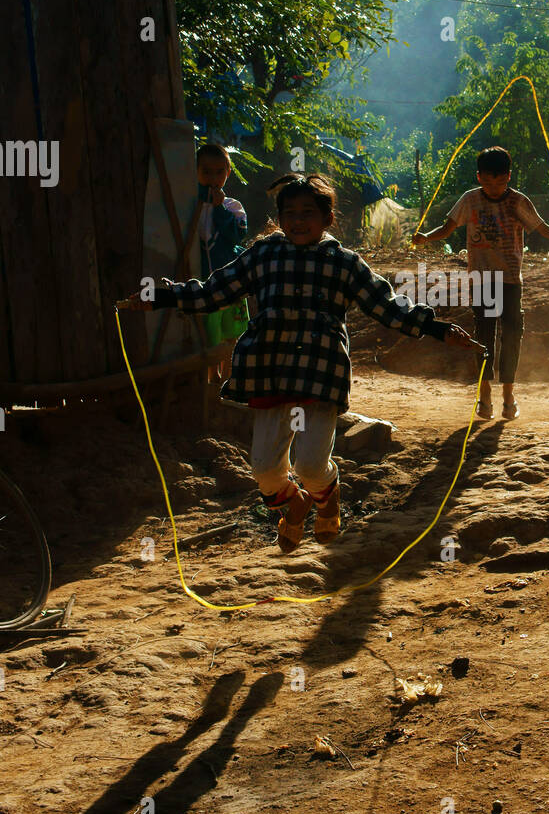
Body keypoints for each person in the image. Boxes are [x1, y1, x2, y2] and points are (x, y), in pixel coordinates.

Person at [119, 173, 478, 551]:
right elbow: (213, 292)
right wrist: (163, 296)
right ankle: (297, 502)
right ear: (279, 217)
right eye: (290, 212)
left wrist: (436, 328)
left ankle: (328, 496)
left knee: (309, 465)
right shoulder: (262, 254)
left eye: (308, 212)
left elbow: (387, 305)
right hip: (269, 372)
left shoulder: (343, 263)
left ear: (327, 218)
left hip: (320, 374)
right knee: (264, 472)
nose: (298, 220)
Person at [412, 145, 549, 420]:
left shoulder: (518, 202)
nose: (494, 187)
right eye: (488, 180)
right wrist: (426, 237)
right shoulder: (470, 200)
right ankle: (484, 397)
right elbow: (447, 229)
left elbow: (542, 228)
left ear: (508, 177)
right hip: (481, 280)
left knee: (511, 337)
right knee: (483, 338)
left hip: (509, 280)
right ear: (480, 177)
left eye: (500, 180)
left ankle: (508, 396)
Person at [195, 143, 249, 383]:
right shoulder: (190, 204)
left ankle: (228, 379)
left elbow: (237, 235)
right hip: (204, 283)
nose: (213, 178)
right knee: (209, 334)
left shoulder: (233, 207)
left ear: (228, 173)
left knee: (231, 333)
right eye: (206, 172)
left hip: (231, 283)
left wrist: (218, 209)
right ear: (195, 172)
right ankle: (211, 380)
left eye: (219, 172)